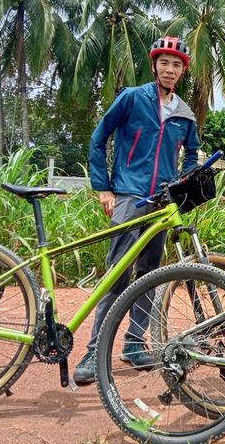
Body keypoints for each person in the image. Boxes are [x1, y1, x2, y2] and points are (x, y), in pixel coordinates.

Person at [73, 36, 201, 385]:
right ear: (155, 64)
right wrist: (103, 187)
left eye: (177, 64)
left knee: (149, 274)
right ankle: (94, 349)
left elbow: (192, 154)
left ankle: (134, 343)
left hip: (162, 201)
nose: (170, 69)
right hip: (128, 195)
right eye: (164, 62)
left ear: (182, 71)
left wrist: (181, 183)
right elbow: (99, 138)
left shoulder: (184, 114)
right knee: (118, 273)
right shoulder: (132, 98)